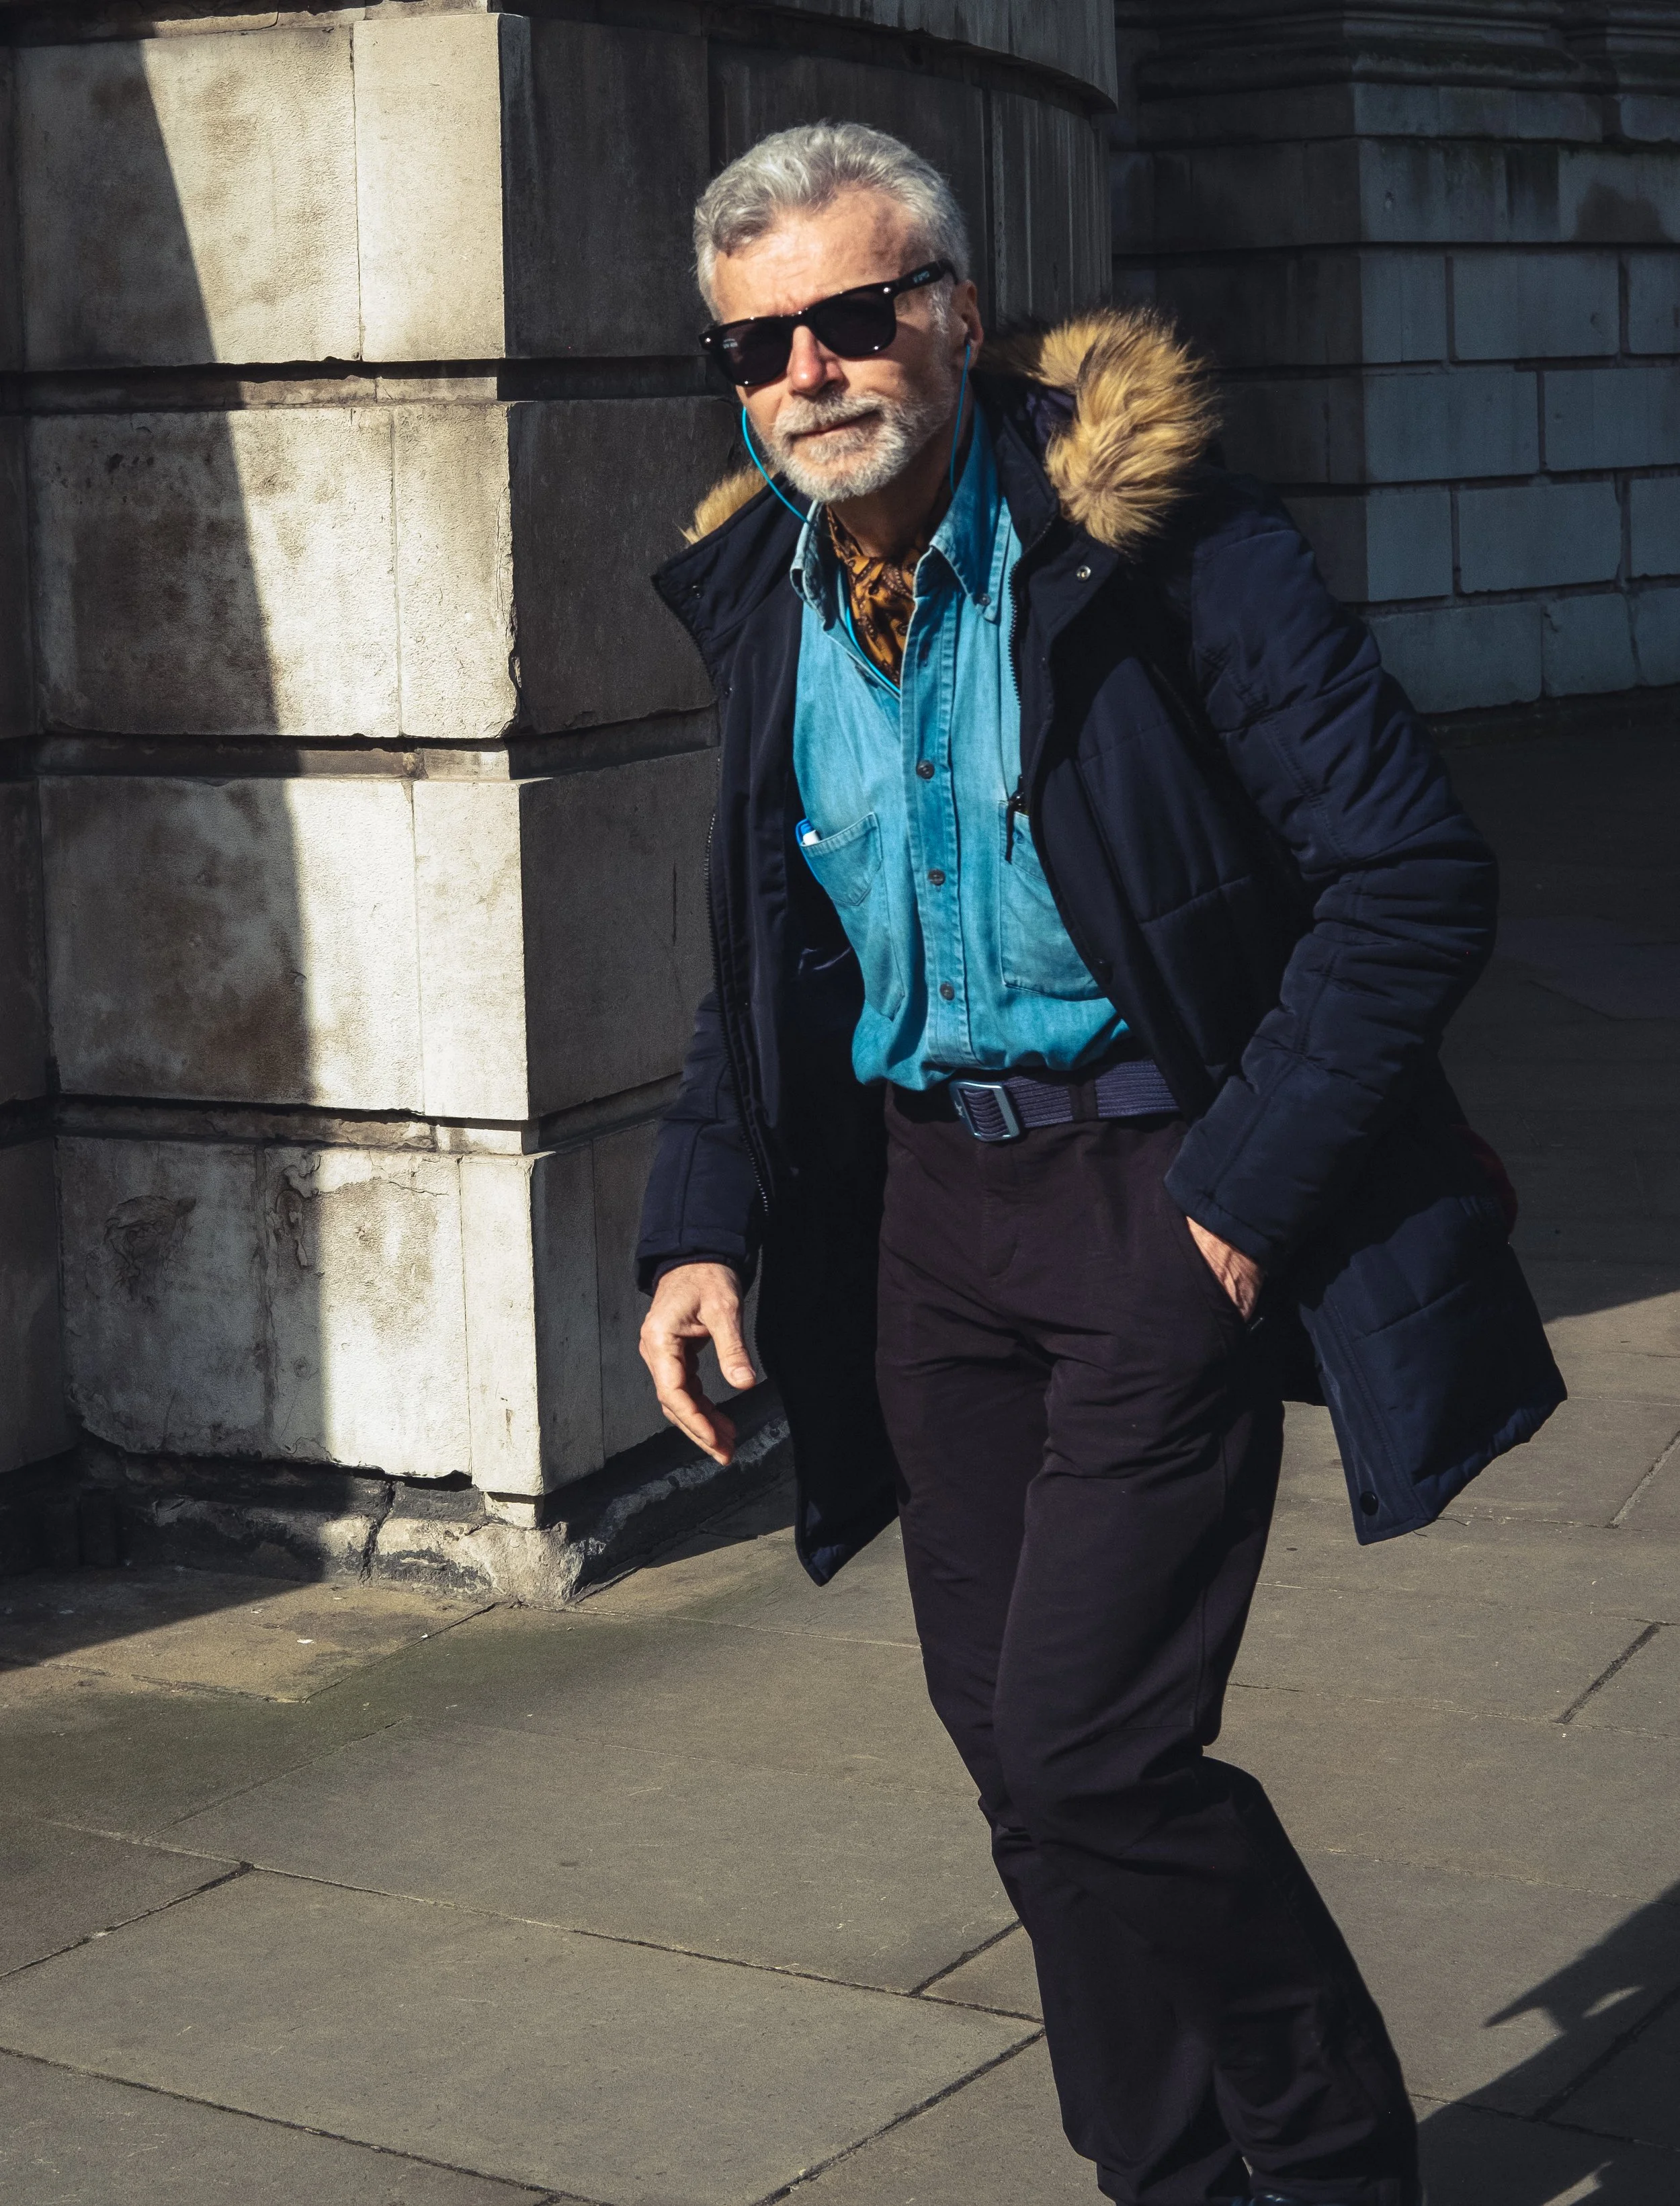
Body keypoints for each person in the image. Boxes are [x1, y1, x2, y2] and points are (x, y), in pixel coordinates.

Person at [636, 121, 1563, 2206]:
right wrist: (700, 1220)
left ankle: (1327, 2172)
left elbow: (1409, 878)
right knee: (1024, 1771)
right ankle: (1168, 2179)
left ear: (953, 312)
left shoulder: (1163, 551)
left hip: (1158, 1193)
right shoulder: (767, 605)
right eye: (758, 345)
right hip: (918, 1228)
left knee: (1089, 1749)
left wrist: (1231, 1208)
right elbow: (771, 970)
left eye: (854, 319)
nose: (809, 372)